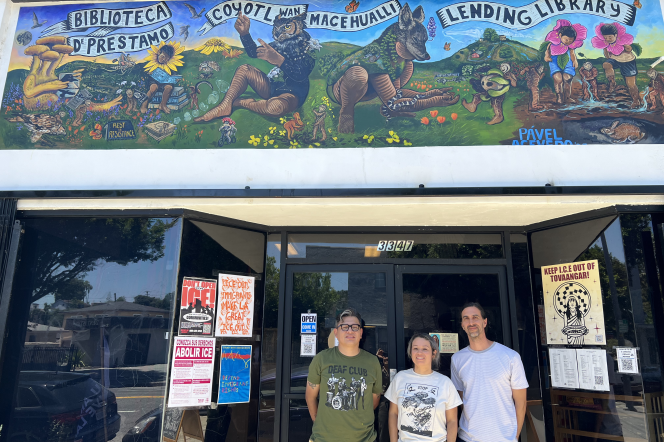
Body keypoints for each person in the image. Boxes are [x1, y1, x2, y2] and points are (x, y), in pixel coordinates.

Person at [451, 302, 528, 442]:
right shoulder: (457, 359)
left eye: (475, 317)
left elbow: (521, 402)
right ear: (462, 325)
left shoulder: (510, 357)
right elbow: (462, 399)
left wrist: (514, 436)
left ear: (484, 322)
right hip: (467, 437)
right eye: (466, 318)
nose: (471, 322)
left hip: (503, 438)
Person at [306, 308, 383, 442]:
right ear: (336, 333)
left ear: (361, 333)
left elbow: (374, 400)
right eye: (344, 327)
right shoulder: (321, 359)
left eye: (354, 327)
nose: (350, 330)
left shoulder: (373, 362)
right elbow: (310, 396)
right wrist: (320, 424)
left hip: (364, 438)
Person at [385, 333, 461, 442]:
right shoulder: (400, 378)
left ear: (433, 353)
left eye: (425, 349)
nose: (419, 353)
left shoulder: (445, 383)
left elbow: (452, 421)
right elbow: (393, 413)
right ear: (411, 352)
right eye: (415, 348)